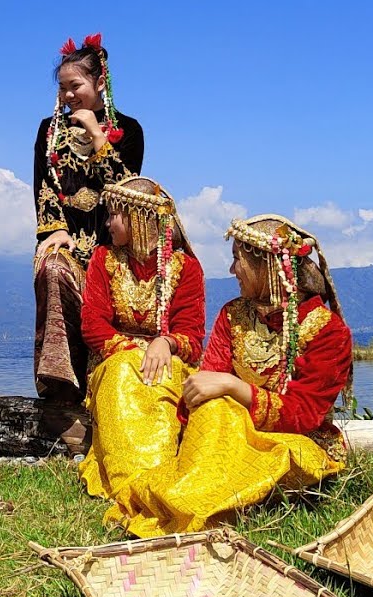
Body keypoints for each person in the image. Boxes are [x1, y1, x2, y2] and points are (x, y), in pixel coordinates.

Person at [112, 215, 353, 538]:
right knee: (211, 409)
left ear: (266, 266)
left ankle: (188, 506)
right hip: (230, 434)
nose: (232, 271)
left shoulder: (328, 330)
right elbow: (203, 387)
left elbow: (304, 415)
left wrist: (233, 386)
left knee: (260, 445)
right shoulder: (233, 314)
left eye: (237, 260)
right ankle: (189, 503)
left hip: (297, 441)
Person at [77, 177, 205, 520]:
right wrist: (135, 350)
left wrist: (166, 342)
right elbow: (92, 324)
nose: (107, 223)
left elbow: (193, 337)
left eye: (113, 215)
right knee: (123, 373)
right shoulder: (103, 260)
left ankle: (159, 480)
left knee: (165, 375)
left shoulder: (186, 268)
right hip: (115, 360)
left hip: (168, 362)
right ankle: (127, 487)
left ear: (137, 217)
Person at [33, 33, 144, 403]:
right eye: (62, 88)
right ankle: (60, 391)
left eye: (75, 86)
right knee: (52, 270)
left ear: (99, 82)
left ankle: (112, 392)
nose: (67, 96)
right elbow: (44, 185)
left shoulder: (129, 131)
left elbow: (125, 192)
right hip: (64, 238)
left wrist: (97, 134)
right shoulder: (50, 132)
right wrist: (56, 228)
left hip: (113, 243)